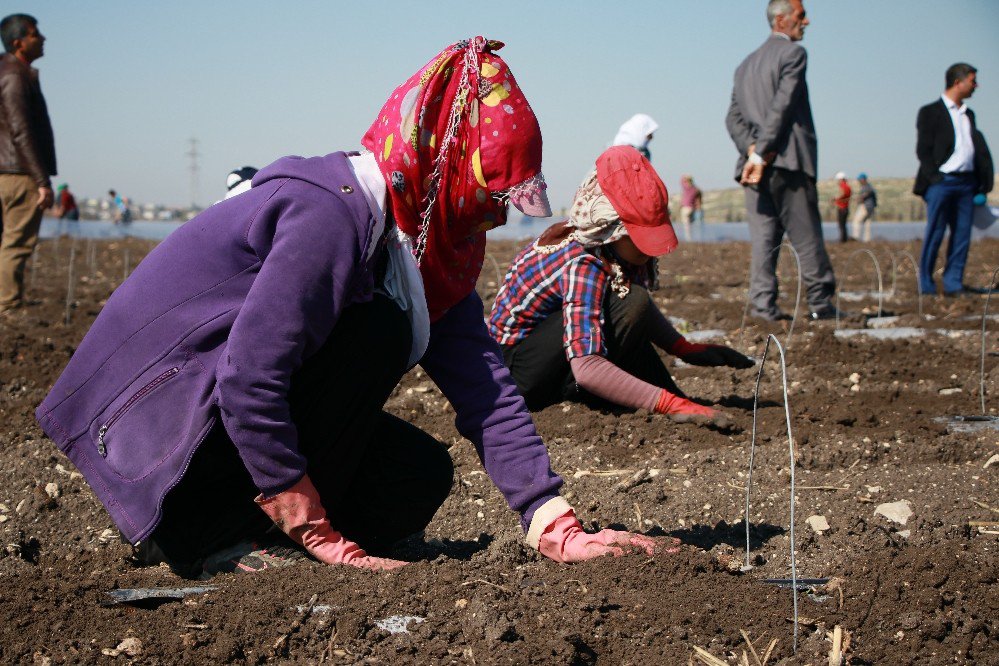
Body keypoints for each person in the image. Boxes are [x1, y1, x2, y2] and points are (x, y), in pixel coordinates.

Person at [36, 38, 668, 579]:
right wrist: (307, 522)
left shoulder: (423, 254)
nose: (496, 214)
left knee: (416, 477)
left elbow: (488, 391)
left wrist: (553, 522)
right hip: (155, 426)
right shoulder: (331, 216)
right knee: (376, 330)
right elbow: (250, 376)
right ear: (438, 166)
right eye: (486, 192)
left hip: (225, 416)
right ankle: (203, 533)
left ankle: (256, 521)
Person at [488, 146, 752, 429]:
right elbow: (588, 366)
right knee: (628, 302)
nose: (648, 250)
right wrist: (668, 403)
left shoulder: (608, 250)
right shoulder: (583, 261)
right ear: (610, 228)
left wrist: (682, 347)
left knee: (629, 300)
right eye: (637, 236)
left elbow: (629, 307)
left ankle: (638, 394)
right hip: (513, 378)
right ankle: (577, 396)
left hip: (543, 357)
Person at [725, 0, 840, 322]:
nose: (807, 21)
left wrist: (751, 149)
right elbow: (783, 106)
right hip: (787, 161)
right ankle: (820, 304)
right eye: (801, 15)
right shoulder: (793, 54)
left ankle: (763, 307)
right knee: (806, 237)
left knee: (764, 240)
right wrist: (760, 151)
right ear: (781, 20)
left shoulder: (745, 64)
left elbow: (733, 118)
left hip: (754, 167)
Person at [914, 62, 994, 296]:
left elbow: (975, 149)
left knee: (961, 234)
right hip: (942, 183)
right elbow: (923, 150)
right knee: (935, 232)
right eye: (972, 80)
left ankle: (953, 284)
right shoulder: (930, 112)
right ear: (957, 82)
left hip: (966, 184)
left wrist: (980, 182)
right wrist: (935, 178)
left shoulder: (968, 114)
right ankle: (926, 286)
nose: (976, 85)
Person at [0, 14, 54, 314]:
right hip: (17, 172)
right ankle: (8, 307)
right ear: (19, 43)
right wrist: (41, 181)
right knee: (16, 244)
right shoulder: (14, 75)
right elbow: (21, 131)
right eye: (35, 34)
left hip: (9, 169)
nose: (42, 38)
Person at [852, 172, 877, 241]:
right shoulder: (868, 186)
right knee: (867, 224)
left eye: (860, 179)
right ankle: (867, 240)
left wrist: (859, 198)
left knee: (856, 221)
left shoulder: (867, 187)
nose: (859, 181)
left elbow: (866, 194)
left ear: (863, 179)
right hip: (871, 208)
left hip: (865, 207)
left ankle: (856, 237)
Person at [678, 175, 703, 242]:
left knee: (686, 223)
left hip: (685, 208)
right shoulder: (695, 189)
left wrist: (685, 177)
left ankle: (688, 238)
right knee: (691, 223)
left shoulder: (686, 187)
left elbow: (681, 181)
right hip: (692, 208)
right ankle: (693, 237)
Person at [831, 171, 851, 243]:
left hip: (842, 208)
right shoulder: (848, 186)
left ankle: (842, 240)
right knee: (843, 225)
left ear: (841, 179)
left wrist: (836, 198)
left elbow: (842, 194)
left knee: (841, 225)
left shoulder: (843, 186)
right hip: (845, 208)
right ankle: (844, 239)